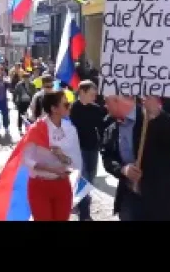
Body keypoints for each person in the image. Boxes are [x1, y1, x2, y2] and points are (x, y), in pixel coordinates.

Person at [23, 90, 82, 221]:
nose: (70, 106)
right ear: (54, 109)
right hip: (40, 186)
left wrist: (63, 157)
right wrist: (51, 169)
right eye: (66, 104)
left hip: (62, 186)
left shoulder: (71, 129)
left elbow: (76, 161)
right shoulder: (37, 129)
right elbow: (27, 159)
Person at [100, 95, 144, 221]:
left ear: (117, 100)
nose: (105, 106)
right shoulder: (110, 126)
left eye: (107, 102)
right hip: (128, 196)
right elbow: (107, 157)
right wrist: (123, 170)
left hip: (156, 197)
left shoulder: (151, 119)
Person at [69, 80, 105, 221]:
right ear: (82, 92)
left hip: (93, 149)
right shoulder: (72, 109)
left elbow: (103, 127)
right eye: (91, 94)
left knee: (90, 180)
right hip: (78, 150)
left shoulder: (96, 109)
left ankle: (80, 206)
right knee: (83, 180)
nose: (94, 97)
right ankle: (84, 214)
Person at [137, 96, 170, 220]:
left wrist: (158, 115)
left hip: (163, 187)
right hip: (141, 185)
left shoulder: (164, 115)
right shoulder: (136, 115)